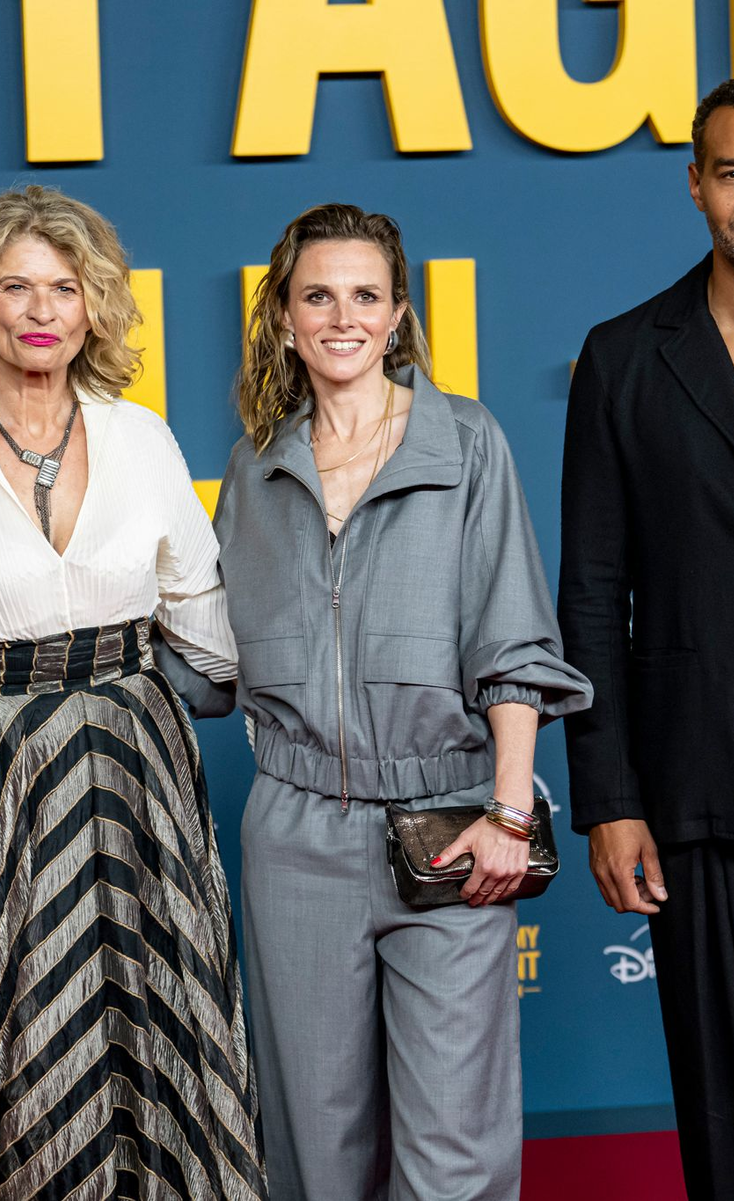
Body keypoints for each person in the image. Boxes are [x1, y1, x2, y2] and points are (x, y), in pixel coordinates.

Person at [0, 184, 264, 1200]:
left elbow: (206, 627)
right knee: (22, 1026)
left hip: (140, 771)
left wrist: (180, 709)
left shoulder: (141, 438)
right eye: (16, 286)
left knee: (154, 1024)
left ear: (93, 307)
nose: (41, 308)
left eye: (65, 286)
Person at [216, 203, 591, 1201]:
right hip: (293, 833)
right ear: (285, 316)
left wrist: (511, 811)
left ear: (397, 315)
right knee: (315, 1152)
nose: (343, 317)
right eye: (319, 295)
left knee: (454, 1153)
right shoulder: (256, 466)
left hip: (452, 826)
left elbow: (515, 640)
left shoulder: (464, 441)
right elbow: (212, 652)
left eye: (366, 296)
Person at [559, 73, 734, 1201]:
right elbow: (590, 591)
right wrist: (610, 798)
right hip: (696, 791)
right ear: (696, 187)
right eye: (733, 172)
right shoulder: (624, 358)